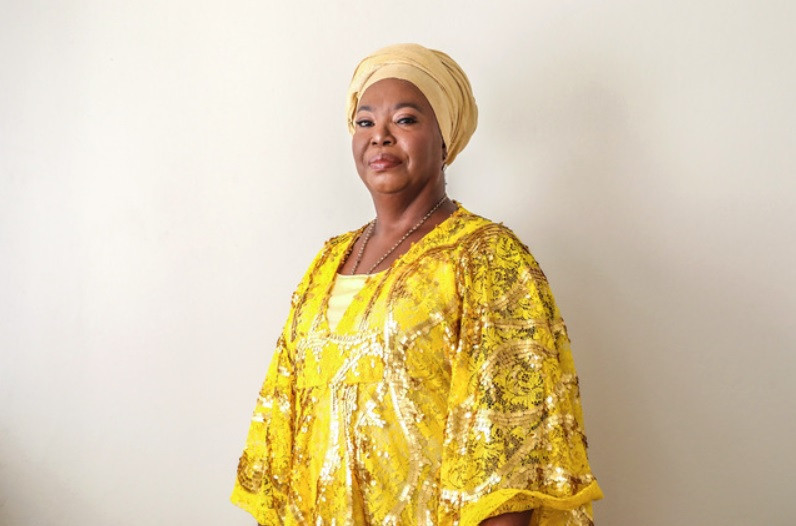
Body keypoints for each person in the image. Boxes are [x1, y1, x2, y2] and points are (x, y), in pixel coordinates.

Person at [231, 43, 603, 526]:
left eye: (405, 119)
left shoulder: (484, 257)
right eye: (365, 122)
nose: (380, 136)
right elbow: (283, 434)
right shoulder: (326, 263)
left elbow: (514, 454)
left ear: (444, 139)